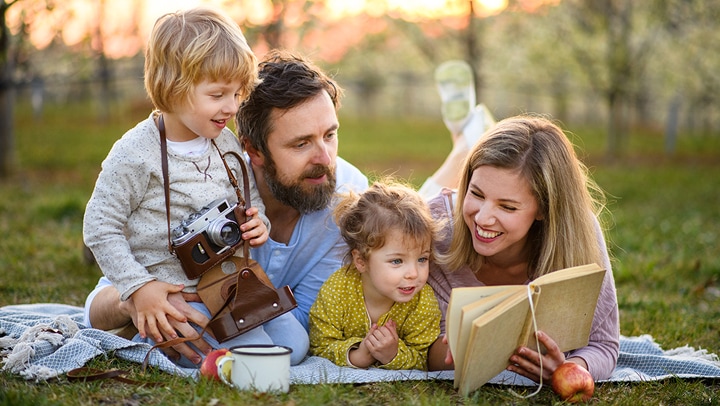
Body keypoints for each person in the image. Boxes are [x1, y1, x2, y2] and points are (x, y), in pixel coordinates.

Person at [84, 49, 369, 365]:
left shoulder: (348, 198)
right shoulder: (207, 187)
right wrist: (138, 301)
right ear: (253, 151)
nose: (325, 158)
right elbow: (96, 309)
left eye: (330, 135)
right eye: (301, 144)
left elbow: (307, 326)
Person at [425, 115, 620, 384]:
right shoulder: (435, 226)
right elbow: (416, 345)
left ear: (544, 208)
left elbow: (603, 345)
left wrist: (567, 369)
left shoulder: (578, 235)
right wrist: (453, 351)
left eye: (507, 206)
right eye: (477, 194)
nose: (482, 218)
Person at [308, 180, 442, 370]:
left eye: (422, 259)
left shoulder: (422, 302)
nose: (413, 274)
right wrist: (357, 355)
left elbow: (423, 356)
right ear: (361, 261)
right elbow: (320, 344)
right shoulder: (337, 291)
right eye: (397, 261)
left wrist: (393, 355)